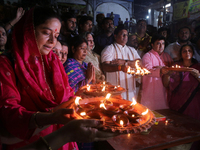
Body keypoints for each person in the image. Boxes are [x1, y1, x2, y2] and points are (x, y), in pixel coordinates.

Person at [0, 6, 80, 150]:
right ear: (28, 30)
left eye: (56, 36)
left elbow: (68, 95)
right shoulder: (7, 64)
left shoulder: (53, 62)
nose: (52, 41)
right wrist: (52, 116)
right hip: (29, 144)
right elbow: (8, 113)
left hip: (60, 138)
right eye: (46, 33)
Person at [163, 44, 200, 150]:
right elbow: (166, 84)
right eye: (184, 51)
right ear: (181, 53)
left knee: (191, 129)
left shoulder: (198, 67)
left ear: (192, 53)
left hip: (193, 104)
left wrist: (198, 75)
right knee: (176, 129)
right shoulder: (176, 66)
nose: (187, 52)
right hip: (176, 104)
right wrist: (167, 74)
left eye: (189, 50)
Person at [101, 25, 141, 101]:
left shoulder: (132, 50)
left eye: (126, 35)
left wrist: (125, 62)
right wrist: (120, 67)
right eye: (123, 34)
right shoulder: (109, 49)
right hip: (115, 92)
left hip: (130, 92)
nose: (125, 37)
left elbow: (140, 64)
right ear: (115, 36)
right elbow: (105, 67)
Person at [140, 34, 170, 110]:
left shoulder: (159, 57)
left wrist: (161, 69)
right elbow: (147, 71)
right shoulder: (148, 56)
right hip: (150, 91)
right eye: (158, 43)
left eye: (163, 44)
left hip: (160, 91)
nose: (161, 46)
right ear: (152, 44)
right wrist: (160, 70)